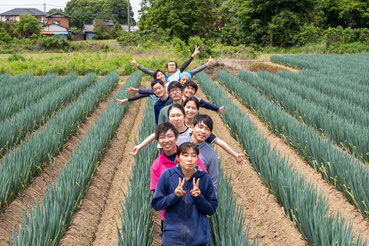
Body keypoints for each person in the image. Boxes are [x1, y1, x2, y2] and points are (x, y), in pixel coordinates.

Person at [131, 104, 246, 166]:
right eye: (172, 116)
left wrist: (235, 154)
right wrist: (139, 146)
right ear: (168, 117)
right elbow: (153, 136)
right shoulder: (166, 131)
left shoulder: (193, 131)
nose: (176, 118)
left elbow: (218, 141)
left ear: (184, 115)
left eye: (179, 115)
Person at [151, 142, 218, 246]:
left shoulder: (205, 178)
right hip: (172, 240)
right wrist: (174, 196)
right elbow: (156, 204)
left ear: (197, 158)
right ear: (178, 158)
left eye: (193, 155)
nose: (190, 159)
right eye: (185, 155)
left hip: (199, 240)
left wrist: (199, 197)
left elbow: (211, 209)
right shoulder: (168, 176)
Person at [150, 123, 207, 232]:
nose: (166, 140)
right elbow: (159, 198)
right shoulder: (156, 166)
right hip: (170, 219)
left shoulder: (190, 157)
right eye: (162, 137)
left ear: (176, 137)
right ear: (158, 141)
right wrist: (175, 195)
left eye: (170, 136)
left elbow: (205, 181)